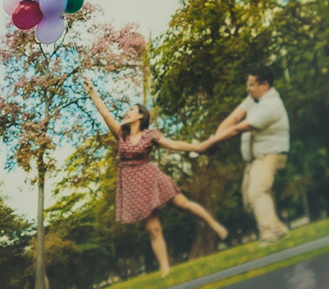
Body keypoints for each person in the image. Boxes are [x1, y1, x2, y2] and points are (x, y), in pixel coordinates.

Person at [83, 77, 228, 276]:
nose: (126, 112)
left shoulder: (150, 135)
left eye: (131, 110)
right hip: (133, 184)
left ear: (141, 115)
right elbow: (104, 112)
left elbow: (173, 144)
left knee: (183, 204)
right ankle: (165, 269)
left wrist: (197, 147)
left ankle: (213, 224)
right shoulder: (121, 134)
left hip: (151, 177)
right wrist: (92, 92)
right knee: (153, 229)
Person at [208, 68, 291, 245]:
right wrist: (216, 139)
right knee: (249, 200)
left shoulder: (271, 105)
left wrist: (209, 144)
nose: (248, 88)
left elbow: (239, 128)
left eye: (251, 85)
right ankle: (279, 229)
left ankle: (269, 235)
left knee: (258, 192)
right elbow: (233, 118)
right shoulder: (254, 100)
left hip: (270, 155)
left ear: (265, 85)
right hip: (255, 159)